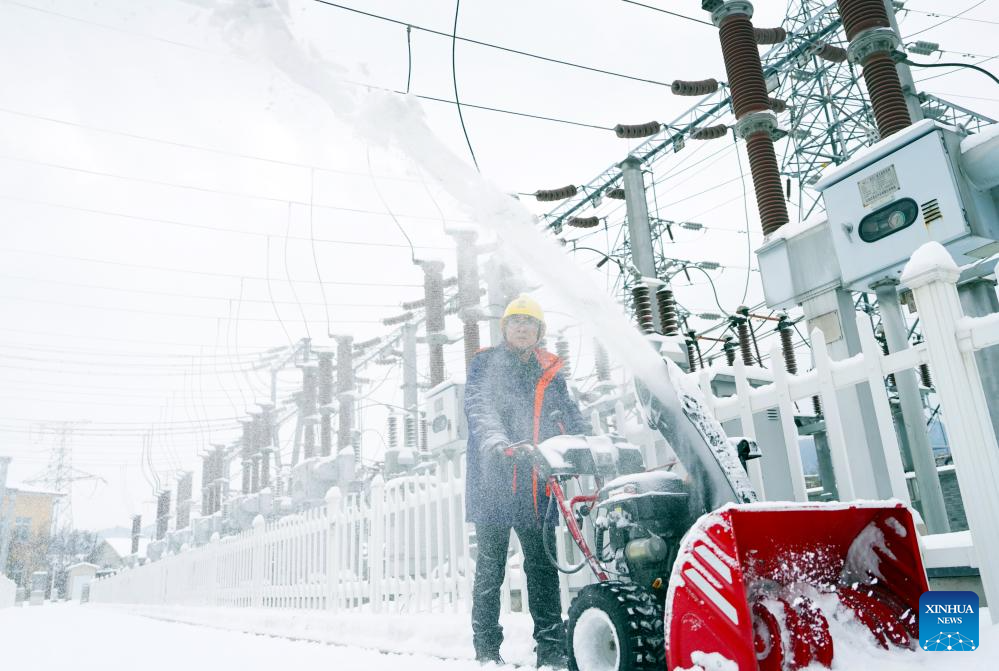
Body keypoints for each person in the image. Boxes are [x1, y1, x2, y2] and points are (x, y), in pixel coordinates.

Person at [464, 294, 591, 668]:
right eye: (516, 322)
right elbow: (479, 406)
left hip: (536, 483)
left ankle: (550, 649)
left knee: (542, 566)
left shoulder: (549, 371)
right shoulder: (486, 364)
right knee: (491, 568)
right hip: (494, 480)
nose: (522, 328)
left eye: (529, 323)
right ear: (505, 329)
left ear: (539, 332)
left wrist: (589, 442)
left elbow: (570, 416)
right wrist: (495, 440)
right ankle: (487, 651)